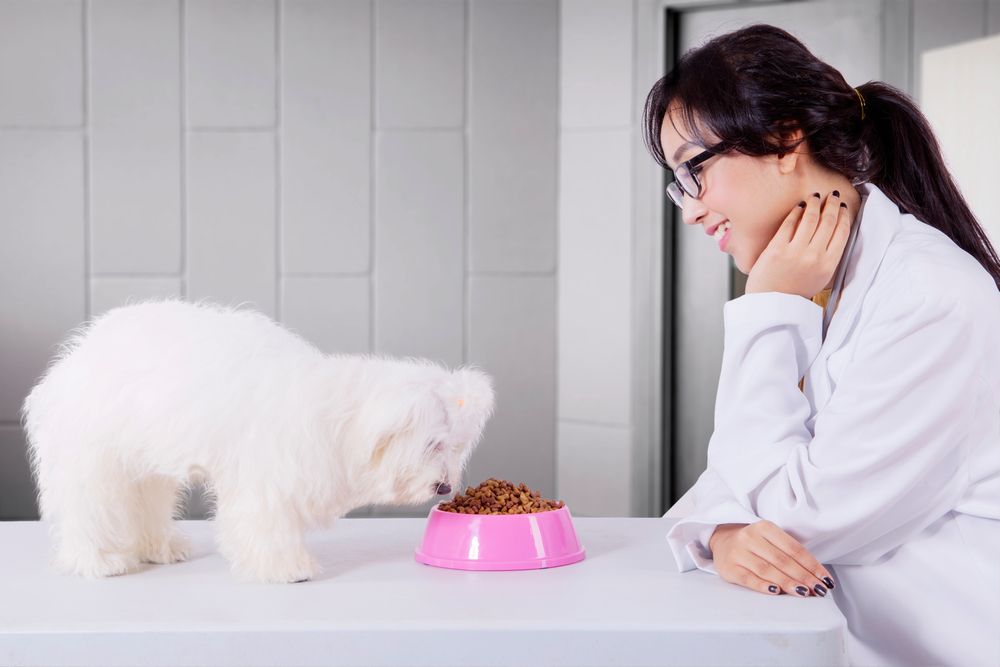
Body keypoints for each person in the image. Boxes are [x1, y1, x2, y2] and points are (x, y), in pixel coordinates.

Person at [643, 24, 1000, 667]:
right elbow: (734, 474)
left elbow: (798, 519)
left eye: (695, 171)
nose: (690, 210)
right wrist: (722, 534)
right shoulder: (830, 283)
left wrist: (767, 310)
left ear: (783, 138)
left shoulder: (929, 296)